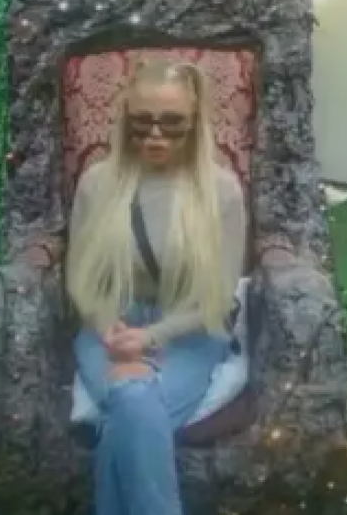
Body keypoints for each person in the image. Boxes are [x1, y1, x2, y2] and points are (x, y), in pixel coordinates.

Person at [64, 59, 248, 515]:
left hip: (189, 332)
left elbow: (218, 297)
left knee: (129, 404)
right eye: (142, 122)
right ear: (125, 119)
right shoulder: (96, 183)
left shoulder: (222, 191)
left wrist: (149, 338)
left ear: (195, 121)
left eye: (172, 123)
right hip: (108, 328)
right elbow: (80, 279)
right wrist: (110, 330)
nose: (155, 135)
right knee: (136, 404)